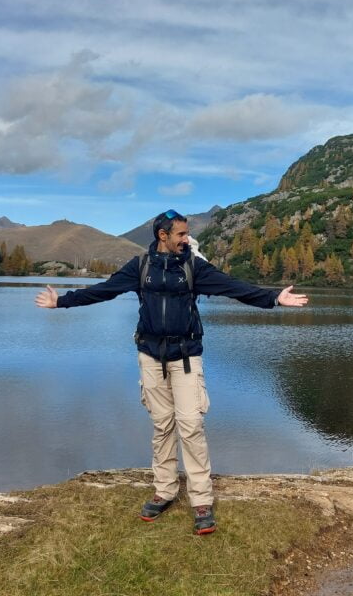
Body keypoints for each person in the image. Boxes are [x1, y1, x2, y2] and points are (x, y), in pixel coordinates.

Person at [35, 209, 307, 535]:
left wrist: (273, 297)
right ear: (162, 236)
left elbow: (231, 287)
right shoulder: (141, 268)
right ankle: (165, 490)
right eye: (180, 234)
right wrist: (61, 301)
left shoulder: (194, 267)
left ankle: (201, 500)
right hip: (150, 358)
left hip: (186, 358)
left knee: (190, 425)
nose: (186, 239)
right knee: (162, 425)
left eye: (186, 233)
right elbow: (103, 290)